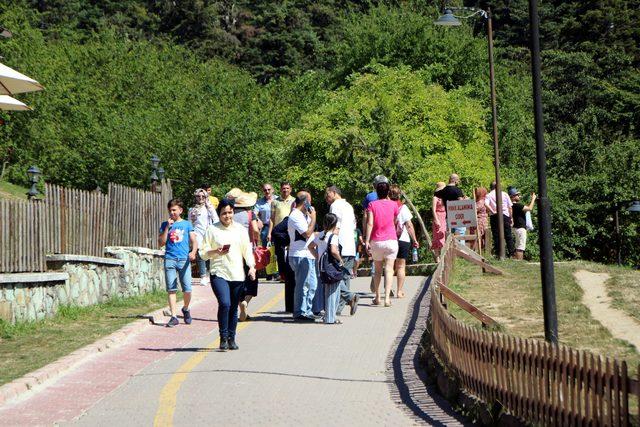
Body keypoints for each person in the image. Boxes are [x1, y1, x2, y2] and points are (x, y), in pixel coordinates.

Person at [199, 199, 256, 350]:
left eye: (230, 212)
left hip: (237, 274)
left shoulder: (240, 230)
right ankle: (223, 337)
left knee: (233, 308)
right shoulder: (212, 230)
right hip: (219, 272)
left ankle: (232, 338)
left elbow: (247, 250)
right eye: (224, 213)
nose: (227, 216)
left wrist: (251, 267)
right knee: (225, 303)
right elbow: (203, 253)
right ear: (219, 214)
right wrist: (215, 251)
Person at [158, 199, 198, 327]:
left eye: (174, 210)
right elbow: (161, 243)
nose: (172, 213)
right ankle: (174, 316)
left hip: (183, 260)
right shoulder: (165, 224)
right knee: (171, 289)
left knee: (187, 289)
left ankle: (185, 309)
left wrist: (193, 252)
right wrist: (167, 228)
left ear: (180, 210)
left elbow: (194, 240)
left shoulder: (187, 224)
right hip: (170, 259)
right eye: (170, 210)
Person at [325, 186, 360, 316]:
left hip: (340, 246)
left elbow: (335, 225)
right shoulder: (349, 206)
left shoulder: (335, 206)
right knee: (345, 277)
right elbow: (353, 226)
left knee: (336, 276)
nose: (326, 198)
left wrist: (329, 240)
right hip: (350, 245)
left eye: (327, 195)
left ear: (334, 193)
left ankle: (350, 298)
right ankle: (339, 309)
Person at [365, 181, 399, 307]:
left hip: (377, 241)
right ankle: (387, 299)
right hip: (391, 240)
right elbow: (395, 220)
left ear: (376, 192)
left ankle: (377, 297)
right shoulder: (394, 205)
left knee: (378, 271)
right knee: (389, 270)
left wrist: (367, 240)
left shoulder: (372, 205)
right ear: (388, 192)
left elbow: (370, 223)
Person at [287, 192, 318, 321]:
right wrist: (314, 218)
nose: (310, 205)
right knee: (302, 284)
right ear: (304, 202)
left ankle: (307, 310)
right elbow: (307, 233)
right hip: (299, 255)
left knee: (312, 284)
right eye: (309, 202)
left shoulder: (305, 215)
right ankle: (299, 312)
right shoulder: (295, 215)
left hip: (308, 254)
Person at [309, 213, 343, 324]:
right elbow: (333, 250)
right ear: (334, 224)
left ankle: (329, 316)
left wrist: (318, 256)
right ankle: (330, 318)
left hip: (322, 267)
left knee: (327, 291)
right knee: (333, 292)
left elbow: (310, 246)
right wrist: (340, 259)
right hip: (332, 267)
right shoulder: (333, 236)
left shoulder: (321, 234)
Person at [232, 191, 260, 321]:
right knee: (251, 279)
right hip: (248, 249)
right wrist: (257, 241)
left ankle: (240, 303)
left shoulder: (230, 213)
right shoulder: (250, 214)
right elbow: (255, 230)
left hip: (233, 251)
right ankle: (246, 302)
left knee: (237, 279)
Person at [268, 181, 296, 311]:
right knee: (281, 259)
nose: (285, 190)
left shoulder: (294, 201)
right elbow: (272, 219)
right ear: (280, 189)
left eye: (287, 188)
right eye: (283, 188)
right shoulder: (275, 202)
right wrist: (269, 233)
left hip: (291, 234)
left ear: (290, 189)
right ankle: (282, 275)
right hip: (279, 234)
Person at [389, 185, 419, 299]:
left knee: (389, 266)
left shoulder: (385, 206)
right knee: (401, 266)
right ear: (399, 195)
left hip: (388, 239)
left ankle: (389, 289)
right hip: (402, 239)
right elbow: (409, 225)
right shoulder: (403, 208)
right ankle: (399, 291)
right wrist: (415, 239)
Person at [188, 189, 219, 287]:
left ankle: (209, 273)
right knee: (200, 254)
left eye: (203, 196)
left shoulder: (209, 208)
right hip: (197, 234)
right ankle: (203, 276)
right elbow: (189, 222)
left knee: (209, 254)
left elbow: (216, 219)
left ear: (206, 197)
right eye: (198, 196)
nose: (201, 198)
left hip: (208, 233)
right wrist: (191, 234)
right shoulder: (192, 210)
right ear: (195, 197)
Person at [485, 181, 515, 257]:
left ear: (491, 187)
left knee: (496, 235)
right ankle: (511, 253)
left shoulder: (489, 195)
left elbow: (486, 204)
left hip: (494, 216)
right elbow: (510, 207)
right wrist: (511, 218)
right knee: (508, 235)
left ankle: (499, 254)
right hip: (505, 215)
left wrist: (492, 211)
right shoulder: (504, 194)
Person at [509, 188, 536, 260]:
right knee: (520, 247)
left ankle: (517, 261)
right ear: (513, 197)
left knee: (518, 246)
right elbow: (530, 208)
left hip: (515, 227)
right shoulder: (517, 205)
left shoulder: (510, 206)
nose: (519, 196)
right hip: (520, 228)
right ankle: (520, 262)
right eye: (517, 195)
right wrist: (533, 199)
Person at [431, 182, 447, 260]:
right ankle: (437, 258)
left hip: (444, 216)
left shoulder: (444, 197)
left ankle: (443, 256)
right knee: (437, 237)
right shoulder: (435, 198)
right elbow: (433, 210)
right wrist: (436, 220)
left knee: (443, 235)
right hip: (438, 216)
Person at [472, 187, 489, 252]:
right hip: (481, 220)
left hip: (480, 221)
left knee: (479, 236)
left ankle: (479, 251)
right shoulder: (480, 201)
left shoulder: (481, 201)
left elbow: (474, 210)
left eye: (477, 192)